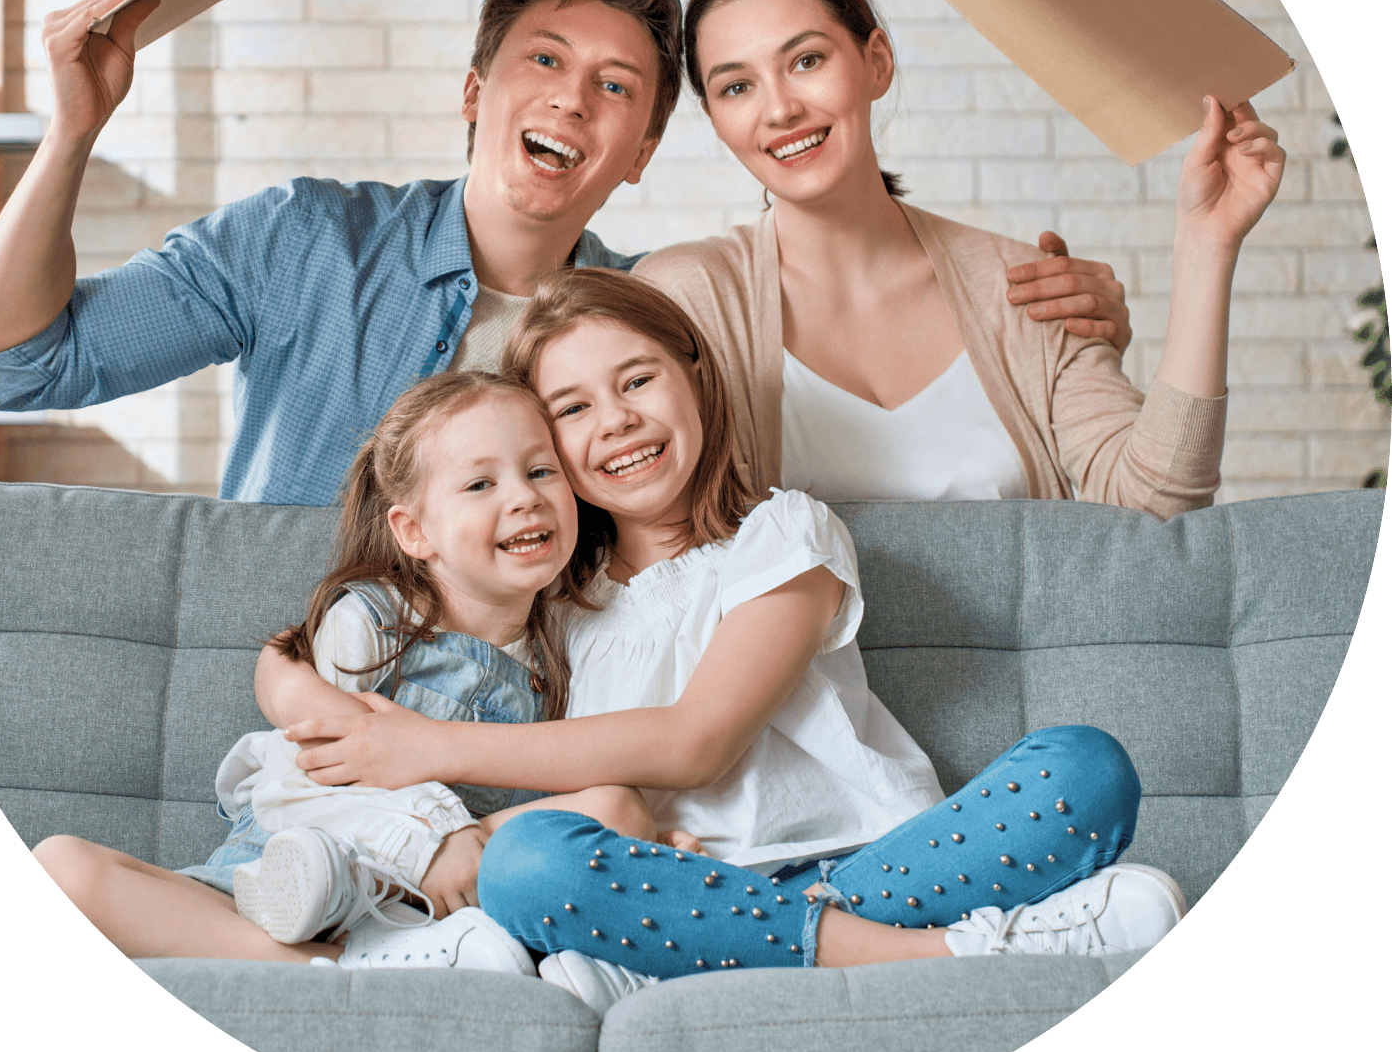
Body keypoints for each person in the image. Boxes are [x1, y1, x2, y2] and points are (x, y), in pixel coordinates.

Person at [283, 271, 1186, 1007]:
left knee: (1084, 767)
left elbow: (696, 743)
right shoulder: (549, 600)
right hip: (673, 879)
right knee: (527, 865)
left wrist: (426, 746)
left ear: (696, 378)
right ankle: (955, 954)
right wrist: (313, 698)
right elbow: (301, 653)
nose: (618, 421)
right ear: (544, 446)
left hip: (868, 856)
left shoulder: (785, 538)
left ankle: (707, 953)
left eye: (637, 380)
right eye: (572, 409)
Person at [0, 0, 1129, 506]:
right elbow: (7, 367)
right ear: (476, 94)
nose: (572, 97)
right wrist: (72, 133)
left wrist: (1065, 329)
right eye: (544, 62)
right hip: (304, 690)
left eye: (618, 86)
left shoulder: (648, 321)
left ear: (644, 150)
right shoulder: (302, 241)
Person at [34, 370, 690, 967]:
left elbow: (557, 814)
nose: (523, 498)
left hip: (428, 906)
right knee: (63, 867)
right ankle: (326, 972)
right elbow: (305, 778)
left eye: (542, 472)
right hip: (294, 872)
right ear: (415, 532)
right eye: (481, 484)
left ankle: (394, 955)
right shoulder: (373, 624)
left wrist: (654, 853)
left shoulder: (572, 641)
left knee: (619, 809)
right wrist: (435, 837)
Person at [632, 0, 1286, 512]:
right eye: (736, 87)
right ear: (715, 118)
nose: (779, 108)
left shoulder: (1025, 288)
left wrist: (1206, 245)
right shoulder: (684, 299)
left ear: (877, 62)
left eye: (806, 61)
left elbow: (1159, 500)